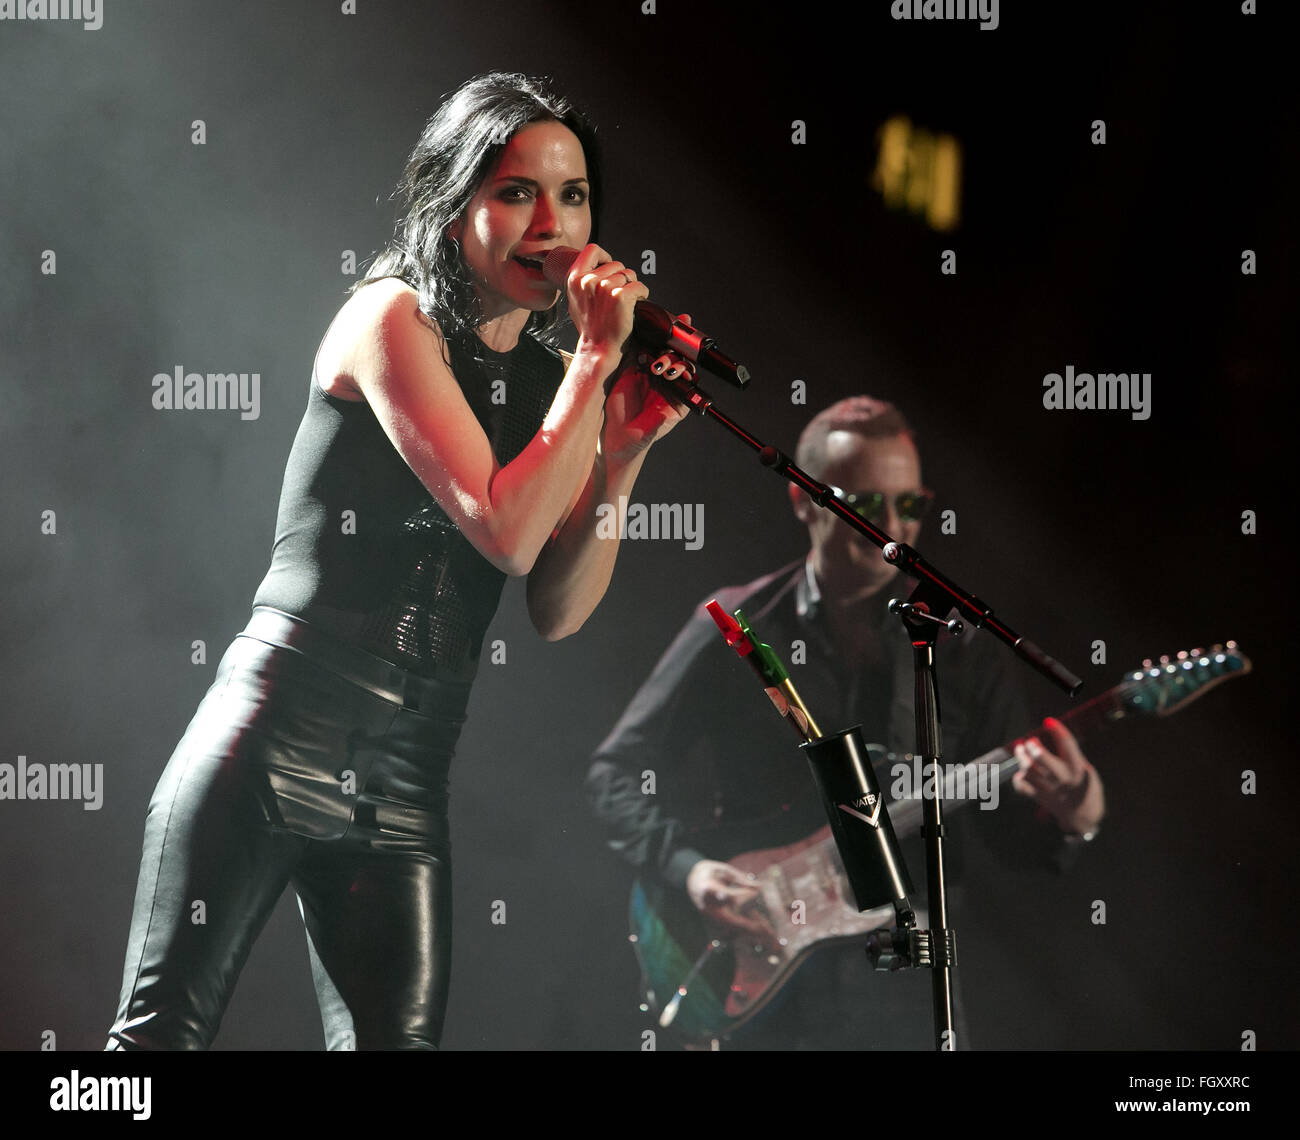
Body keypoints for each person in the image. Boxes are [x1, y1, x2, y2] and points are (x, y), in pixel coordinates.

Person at [106, 72, 697, 1050]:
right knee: (156, 1043)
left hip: (405, 776)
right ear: (456, 198)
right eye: (516, 192)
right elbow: (501, 530)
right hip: (274, 734)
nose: (550, 222)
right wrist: (596, 362)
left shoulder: (555, 379)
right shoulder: (392, 320)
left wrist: (622, 457)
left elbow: (556, 605)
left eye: (574, 196)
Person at [586, 395, 1106, 1049]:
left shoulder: (958, 647)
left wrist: (1073, 817)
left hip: (906, 993)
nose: (892, 528)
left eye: (908, 506)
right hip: (761, 984)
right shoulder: (736, 625)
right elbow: (616, 771)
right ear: (804, 501)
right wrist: (689, 869)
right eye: (863, 507)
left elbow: (1005, 837)